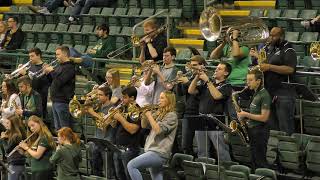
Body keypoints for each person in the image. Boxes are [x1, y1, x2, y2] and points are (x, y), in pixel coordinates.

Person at [127, 91, 178, 180]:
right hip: (153, 150)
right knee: (157, 177)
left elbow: (158, 130)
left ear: (169, 100)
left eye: (162, 98)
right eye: (159, 97)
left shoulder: (172, 116)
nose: (159, 100)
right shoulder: (159, 113)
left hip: (159, 152)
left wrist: (149, 116)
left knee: (131, 165)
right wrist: (144, 115)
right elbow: (144, 125)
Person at [188, 62, 233, 161]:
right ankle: (205, 172)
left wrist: (208, 80)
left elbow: (217, 96)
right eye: (216, 68)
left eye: (220, 69)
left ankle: (227, 172)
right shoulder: (208, 83)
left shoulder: (227, 86)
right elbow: (191, 91)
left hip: (215, 119)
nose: (216, 70)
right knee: (202, 151)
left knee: (221, 150)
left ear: (226, 73)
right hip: (201, 118)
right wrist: (197, 76)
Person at [259, 27, 297, 135]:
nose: (270, 37)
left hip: (284, 93)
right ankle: (276, 150)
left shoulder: (288, 49)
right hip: (269, 92)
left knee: (285, 127)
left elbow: (290, 69)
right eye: (270, 35)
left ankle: (288, 150)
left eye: (273, 35)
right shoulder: (269, 48)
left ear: (281, 36)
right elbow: (263, 65)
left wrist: (269, 67)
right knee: (272, 127)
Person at [237, 67, 271, 169]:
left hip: (260, 131)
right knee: (254, 160)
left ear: (258, 81)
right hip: (253, 129)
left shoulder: (264, 95)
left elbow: (264, 118)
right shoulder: (255, 93)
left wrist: (245, 115)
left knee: (260, 160)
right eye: (247, 80)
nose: (248, 83)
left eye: (250, 80)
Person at [84, 85, 116, 176]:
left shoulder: (112, 108)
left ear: (107, 96)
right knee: (94, 166)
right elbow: (85, 112)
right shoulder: (98, 106)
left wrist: (93, 112)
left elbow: (105, 120)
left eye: (100, 95)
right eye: (97, 95)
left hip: (107, 141)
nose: (98, 97)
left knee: (108, 169)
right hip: (97, 139)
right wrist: (87, 105)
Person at [175, 55, 205, 155]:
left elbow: (196, 92)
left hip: (199, 113)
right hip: (188, 112)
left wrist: (187, 82)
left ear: (202, 65)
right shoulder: (191, 77)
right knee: (185, 145)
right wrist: (178, 82)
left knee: (202, 147)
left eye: (195, 65)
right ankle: (190, 165)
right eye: (191, 65)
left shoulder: (204, 78)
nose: (192, 68)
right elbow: (180, 94)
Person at [43, 46, 76, 131]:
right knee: (58, 128)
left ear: (65, 54)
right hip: (55, 100)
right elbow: (52, 81)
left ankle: (67, 144)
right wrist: (47, 73)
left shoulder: (69, 67)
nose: (56, 56)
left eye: (58, 54)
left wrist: (52, 71)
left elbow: (60, 81)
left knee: (65, 128)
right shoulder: (59, 66)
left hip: (63, 101)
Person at [112, 86, 141, 180]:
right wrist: (113, 120)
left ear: (132, 98)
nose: (122, 99)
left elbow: (133, 130)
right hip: (118, 147)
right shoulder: (124, 108)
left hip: (129, 149)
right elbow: (115, 126)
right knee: (119, 175)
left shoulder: (137, 110)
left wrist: (120, 118)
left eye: (124, 97)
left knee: (129, 176)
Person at [19, 115, 56, 180]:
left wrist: (26, 147)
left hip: (43, 171)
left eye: (33, 125)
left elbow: (37, 155)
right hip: (36, 171)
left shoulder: (44, 137)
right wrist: (21, 150)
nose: (31, 128)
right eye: (30, 127)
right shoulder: (37, 138)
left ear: (39, 123)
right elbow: (31, 155)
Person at [19, 48, 51, 120]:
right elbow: (25, 82)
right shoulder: (30, 66)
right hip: (28, 97)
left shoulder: (45, 67)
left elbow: (38, 83)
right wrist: (21, 73)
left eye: (32, 56)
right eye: (29, 56)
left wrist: (26, 74)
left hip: (40, 97)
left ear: (38, 55)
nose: (30, 58)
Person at [0, 115, 26, 180]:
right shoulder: (17, 134)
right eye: (5, 123)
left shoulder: (16, 135)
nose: (6, 125)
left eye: (8, 123)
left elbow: (7, 150)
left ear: (13, 124)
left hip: (15, 164)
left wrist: (3, 139)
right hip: (18, 163)